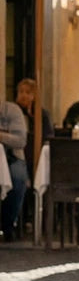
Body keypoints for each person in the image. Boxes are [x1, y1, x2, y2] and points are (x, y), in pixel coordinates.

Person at [1, 95, 28, 243]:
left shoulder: (11, 110)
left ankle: (8, 225)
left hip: (11, 157)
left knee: (17, 178)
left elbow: (20, 141)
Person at [15, 78, 54, 177]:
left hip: (35, 153)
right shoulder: (14, 111)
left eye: (28, 92)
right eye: (21, 92)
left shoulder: (42, 114)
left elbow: (47, 135)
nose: (23, 95)